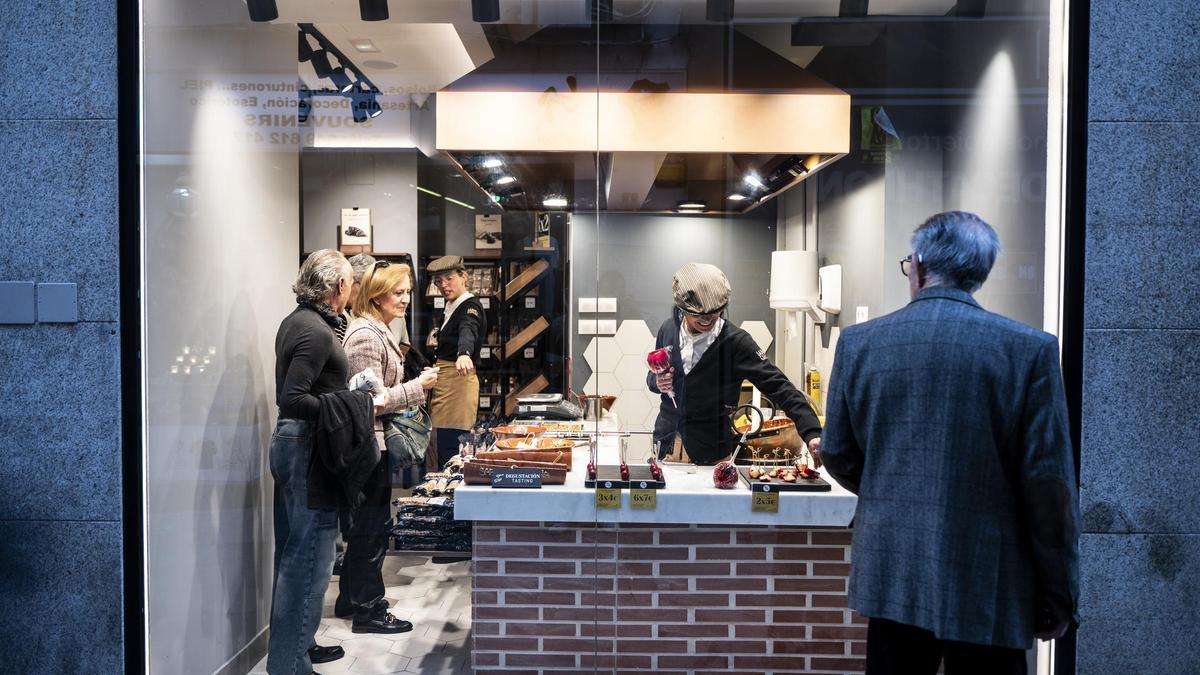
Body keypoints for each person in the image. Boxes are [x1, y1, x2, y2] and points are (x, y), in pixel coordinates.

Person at [819, 211, 1080, 675]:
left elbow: (837, 451)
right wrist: (1059, 593)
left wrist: (893, 486)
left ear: (918, 266)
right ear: (980, 273)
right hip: (989, 575)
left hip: (894, 570)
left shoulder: (860, 343)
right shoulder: (1029, 350)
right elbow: (1047, 487)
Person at [267, 249, 356, 674]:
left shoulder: (297, 321)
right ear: (339, 285)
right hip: (306, 447)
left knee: (294, 554)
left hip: (294, 443)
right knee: (310, 561)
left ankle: (290, 658)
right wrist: (350, 404)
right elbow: (292, 397)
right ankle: (290, 666)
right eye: (350, 282)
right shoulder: (316, 331)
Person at [338, 261, 437, 633]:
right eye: (398, 292)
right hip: (367, 445)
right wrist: (417, 388)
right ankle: (369, 611)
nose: (406, 299)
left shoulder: (376, 329)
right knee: (371, 527)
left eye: (407, 292)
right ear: (377, 295)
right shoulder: (366, 335)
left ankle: (351, 600)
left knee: (368, 525)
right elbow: (370, 402)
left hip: (372, 443)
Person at [648, 262, 821, 465]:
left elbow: (779, 386)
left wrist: (812, 432)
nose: (707, 319)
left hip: (712, 454)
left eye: (715, 312)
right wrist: (656, 382)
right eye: (698, 314)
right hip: (665, 445)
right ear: (681, 308)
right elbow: (653, 376)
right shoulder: (668, 329)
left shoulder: (736, 343)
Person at [425, 255, 486, 465]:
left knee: (452, 446)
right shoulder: (452, 306)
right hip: (446, 382)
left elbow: (468, 328)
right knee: (443, 442)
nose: (444, 285)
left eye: (449, 278)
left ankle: (450, 484)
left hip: (458, 383)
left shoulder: (470, 307)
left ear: (464, 277)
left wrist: (464, 353)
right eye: (438, 281)